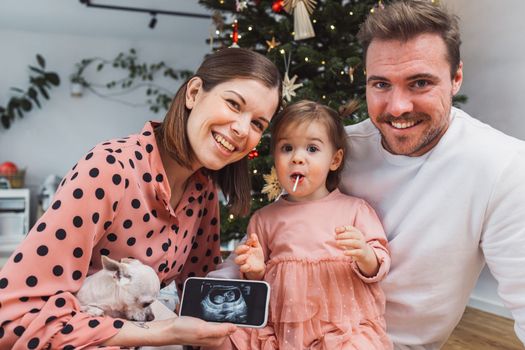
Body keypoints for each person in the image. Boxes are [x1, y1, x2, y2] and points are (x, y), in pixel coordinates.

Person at [212, 1, 525, 349]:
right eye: (380, 84)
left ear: (456, 78)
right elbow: (273, 235)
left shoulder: (502, 166)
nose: (397, 107)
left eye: (420, 83)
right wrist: (211, 302)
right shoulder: (334, 150)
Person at [0, 47, 282, 349]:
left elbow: (199, 300)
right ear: (194, 93)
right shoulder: (109, 169)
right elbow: (13, 318)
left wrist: (252, 276)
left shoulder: (202, 194)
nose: (241, 129)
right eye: (233, 104)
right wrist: (162, 332)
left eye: (257, 124)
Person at [209, 100, 393, 349]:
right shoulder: (265, 219)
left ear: (335, 160)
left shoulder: (355, 210)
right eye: (287, 148)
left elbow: (379, 266)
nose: (297, 158)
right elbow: (258, 282)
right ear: (275, 158)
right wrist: (254, 270)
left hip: (341, 328)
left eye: (312, 149)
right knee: (223, 340)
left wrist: (364, 254)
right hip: (279, 328)